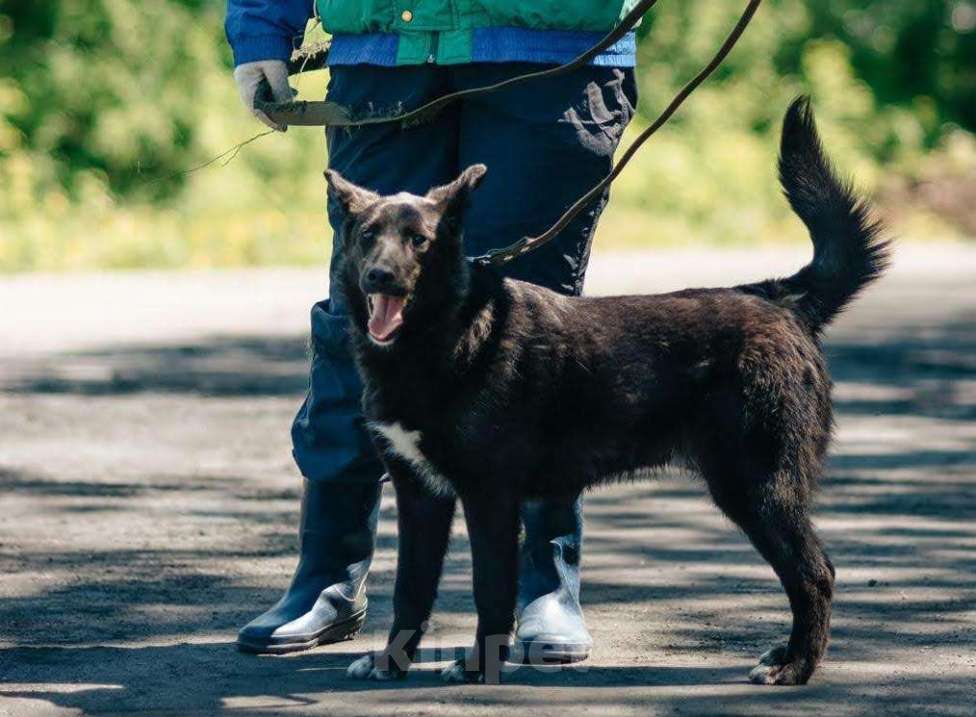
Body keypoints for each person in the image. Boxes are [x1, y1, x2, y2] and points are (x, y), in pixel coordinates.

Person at [225, 0, 638, 663]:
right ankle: (327, 573)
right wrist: (260, 26)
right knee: (361, 325)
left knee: (534, 345)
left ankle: (546, 582)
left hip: (553, 55)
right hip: (385, 54)